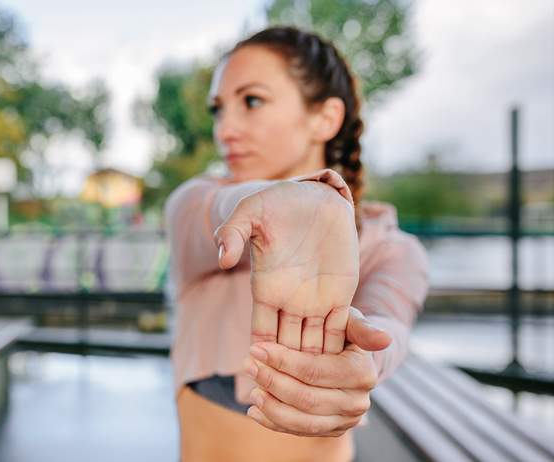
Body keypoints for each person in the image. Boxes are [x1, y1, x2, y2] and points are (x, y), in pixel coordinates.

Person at [164, 26, 429, 462]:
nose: (225, 129)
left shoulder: (392, 248)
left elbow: (389, 325)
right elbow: (218, 210)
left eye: (251, 101)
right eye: (217, 109)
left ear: (324, 118)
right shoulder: (198, 205)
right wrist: (280, 204)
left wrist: (364, 364)